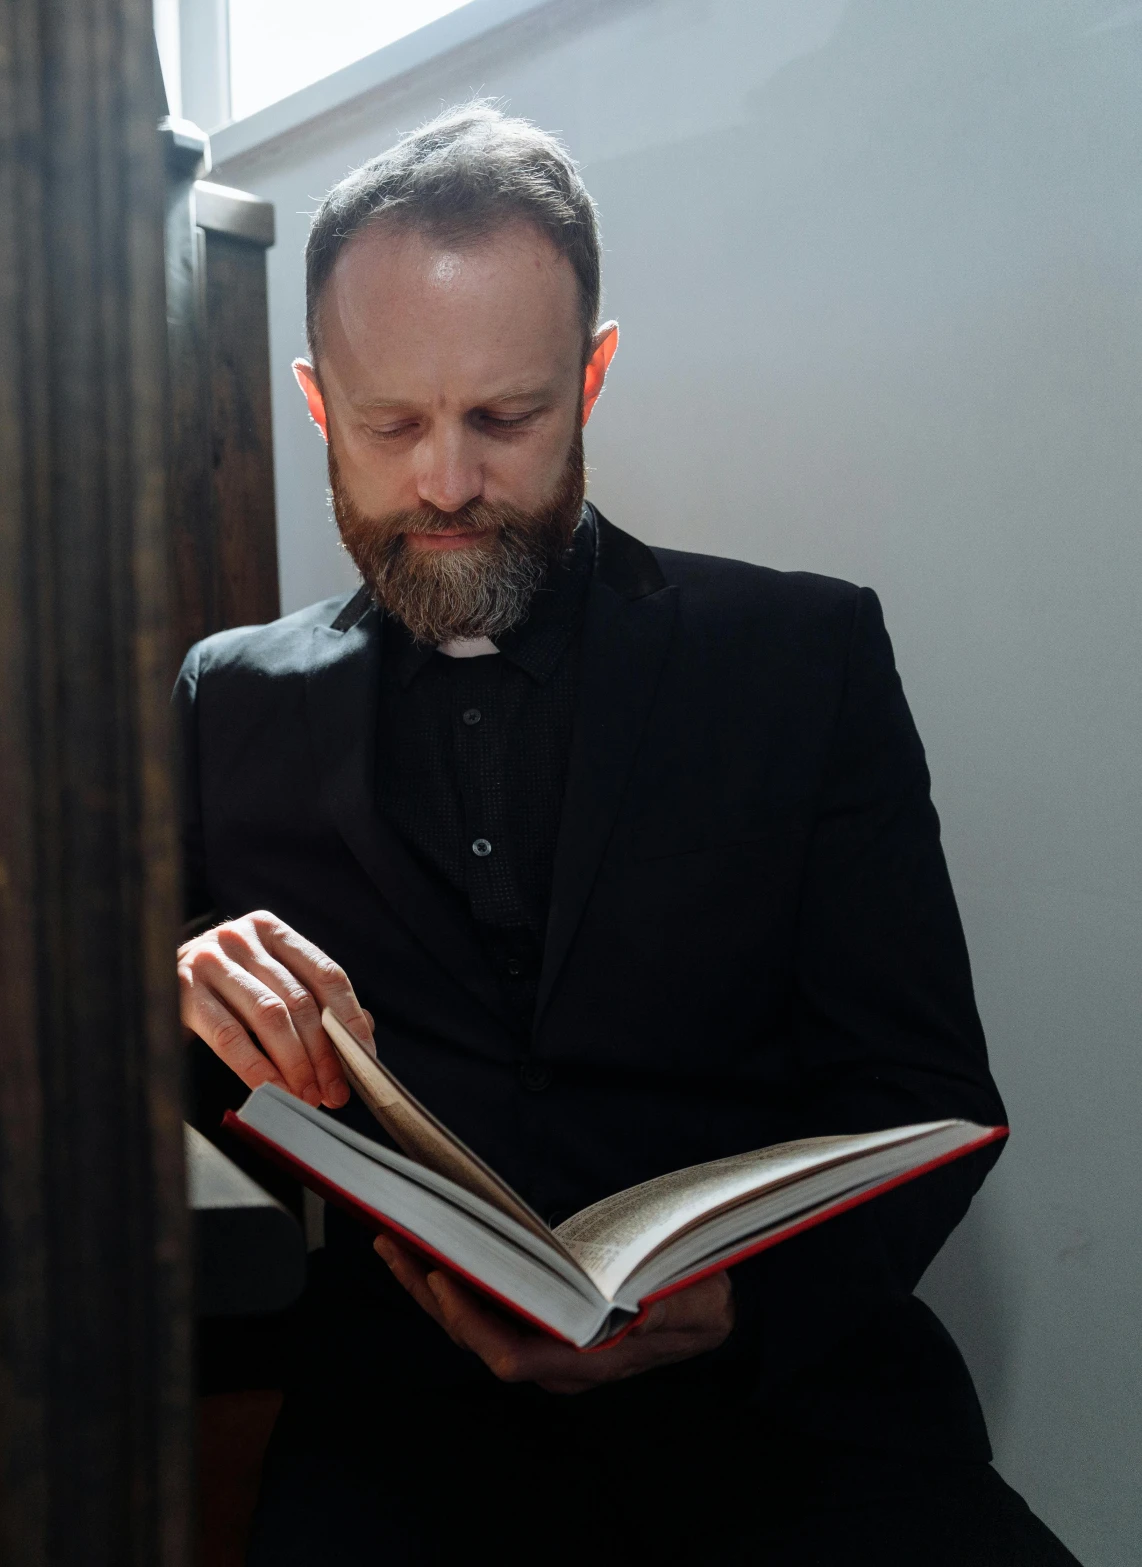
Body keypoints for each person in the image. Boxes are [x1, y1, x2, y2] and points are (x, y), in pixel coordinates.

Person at [175, 105, 1073, 1564]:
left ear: (589, 378)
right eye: (390, 423)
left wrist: (746, 1312)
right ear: (312, 399)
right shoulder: (228, 700)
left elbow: (922, 1087)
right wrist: (190, 989)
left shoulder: (801, 655)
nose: (445, 484)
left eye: (505, 419)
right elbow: (166, 1093)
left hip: (781, 1417)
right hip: (407, 1430)